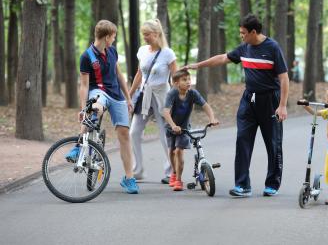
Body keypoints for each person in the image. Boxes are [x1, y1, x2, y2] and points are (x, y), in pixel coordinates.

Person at [186, 14, 289, 197]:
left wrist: (282, 105)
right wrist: (197, 66)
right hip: (248, 100)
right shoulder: (245, 48)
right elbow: (222, 58)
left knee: (273, 144)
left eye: (243, 33)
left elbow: (284, 78)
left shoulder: (272, 48)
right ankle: (242, 185)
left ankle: (272, 183)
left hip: (270, 101)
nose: (241, 36)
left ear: (253, 32)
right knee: (242, 140)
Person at [65, 20, 139, 194]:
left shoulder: (112, 51)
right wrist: (83, 108)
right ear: (107, 37)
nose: (114, 39)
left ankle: (129, 178)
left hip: (116, 95)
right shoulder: (86, 56)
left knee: (124, 134)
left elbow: (119, 74)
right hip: (98, 91)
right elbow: (83, 85)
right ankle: (78, 145)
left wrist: (128, 97)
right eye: (113, 36)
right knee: (95, 109)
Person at [128, 19, 177, 184]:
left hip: (162, 95)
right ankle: (138, 170)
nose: (145, 37)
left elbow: (176, 78)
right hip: (145, 95)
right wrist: (130, 94)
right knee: (134, 132)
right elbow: (139, 74)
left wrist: (180, 98)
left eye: (147, 34)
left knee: (165, 134)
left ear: (156, 34)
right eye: (143, 34)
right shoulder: (142, 51)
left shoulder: (167, 53)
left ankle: (171, 171)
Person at [163, 69, 219, 191]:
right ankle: (173, 172)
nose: (188, 82)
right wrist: (173, 125)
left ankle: (178, 179)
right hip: (170, 127)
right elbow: (166, 112)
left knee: (179, 151)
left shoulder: (193, 93)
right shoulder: (172, 94)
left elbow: (206, 106)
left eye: (189, 79)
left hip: (184, 128)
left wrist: (212, 118)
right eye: (184, 80)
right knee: (172, 151)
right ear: (176, 83)